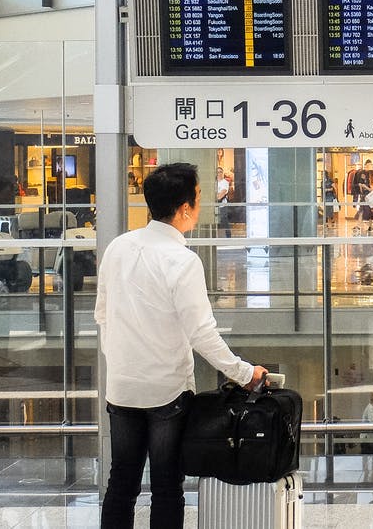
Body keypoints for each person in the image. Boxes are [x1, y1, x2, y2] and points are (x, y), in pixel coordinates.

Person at [96, 162, 266, 529]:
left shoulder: (117, 248)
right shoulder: (182, 261)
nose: (201, 206)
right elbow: (201, 333)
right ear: (185, 208)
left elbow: (102, 316)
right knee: (167, 486)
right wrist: (244, 372)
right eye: (199, 198)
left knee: (121, 482)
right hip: (166, 393)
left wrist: (123, 361)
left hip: (122, 388)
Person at [215, 167, 231, 237]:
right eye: (217, 172)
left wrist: (216, 194)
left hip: (222, 206)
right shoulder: (214, 182)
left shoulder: (225, 182)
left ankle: (228, 238)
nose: (219, 173)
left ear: (223, 173)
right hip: (213, 206)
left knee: (224, 221)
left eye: (220, 172)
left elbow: (220, 196)